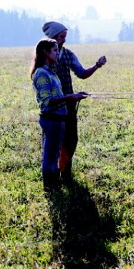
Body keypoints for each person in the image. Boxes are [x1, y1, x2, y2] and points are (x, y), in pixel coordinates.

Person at [42, 21, 107, 184]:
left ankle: (65, 173)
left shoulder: (68, 54)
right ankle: (52, 178)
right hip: (53, 108)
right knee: (54, 144)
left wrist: (97, 65)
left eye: (65, 37)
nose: (64, 40)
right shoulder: (43, 61)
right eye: (61, 37)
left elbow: (82, 73)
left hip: (69, 106)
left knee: (71, 140)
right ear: (52, 37)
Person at [30, 38, 89, 191]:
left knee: (54, 155)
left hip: (58, 119)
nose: (57, 53)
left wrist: (75, 96)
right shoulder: (42, 74)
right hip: (52, 120)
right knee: (50, 157)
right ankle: (50, 187)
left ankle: (54, 184)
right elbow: (48, 101)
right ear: (45, 52)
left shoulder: (50, 71)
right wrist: (70, 97)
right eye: (55, 50)